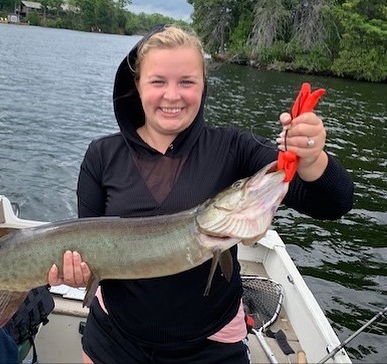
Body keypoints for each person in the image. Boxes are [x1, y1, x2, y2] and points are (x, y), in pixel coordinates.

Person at [48, 25, 354, 363]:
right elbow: (87, 245)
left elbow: (333, 203)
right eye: (158, 81)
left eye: (186, 82)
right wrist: (76, 271)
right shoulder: (102, 155)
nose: (172, 95)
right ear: (137, 86)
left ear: (203, 86)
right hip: (115, 340)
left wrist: (311, 160)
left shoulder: (233, 148)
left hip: (211, 346)